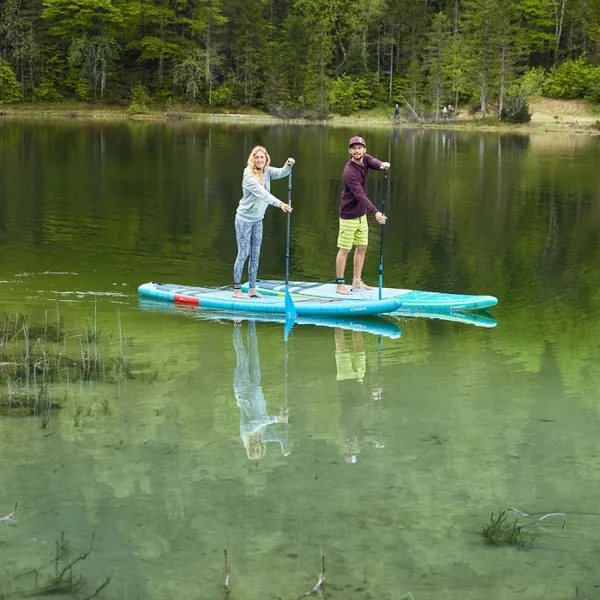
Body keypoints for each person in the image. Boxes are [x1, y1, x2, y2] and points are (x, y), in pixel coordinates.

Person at [233, 146, 295, 299]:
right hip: (244, 220)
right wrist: (280, 204)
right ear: (252, 159)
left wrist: (288, 164)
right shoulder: (249, 177)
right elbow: (264, 195)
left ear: (266, 158)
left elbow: (283, 172)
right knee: (243, 253)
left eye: (262, 157)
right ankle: (237, 289)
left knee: (256, 254)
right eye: (257, 157)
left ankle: (252, 289)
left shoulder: (267, 171)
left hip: (258, 220)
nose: (260, 160)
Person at [335, 136, 390, 295]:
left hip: (361, 216)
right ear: (350, 151)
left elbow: (373, 162)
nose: (357, 151)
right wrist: (376, 212)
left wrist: (382, 165)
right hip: (348, 216)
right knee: (345, 249)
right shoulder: (349, 172)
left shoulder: (365, 159)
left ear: (364, 149)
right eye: (354, 148)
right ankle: (340, 285)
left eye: (359, 148)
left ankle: (357, 281)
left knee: (362, 247)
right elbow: (360, 195)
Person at [233, 320, 290, 459]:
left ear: (250, 448)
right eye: (259, 450)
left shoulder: (246, 432)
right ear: (262, 448)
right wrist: (284, 445)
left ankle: (237, 325)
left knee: (242, 355)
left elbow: (258, 421)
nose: (256, 447)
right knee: (254, 350)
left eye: (254, 450)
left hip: (243, 388)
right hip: (256, 387)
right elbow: (277, 436)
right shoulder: (262, 436)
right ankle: (252, 321)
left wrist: (276, 418)